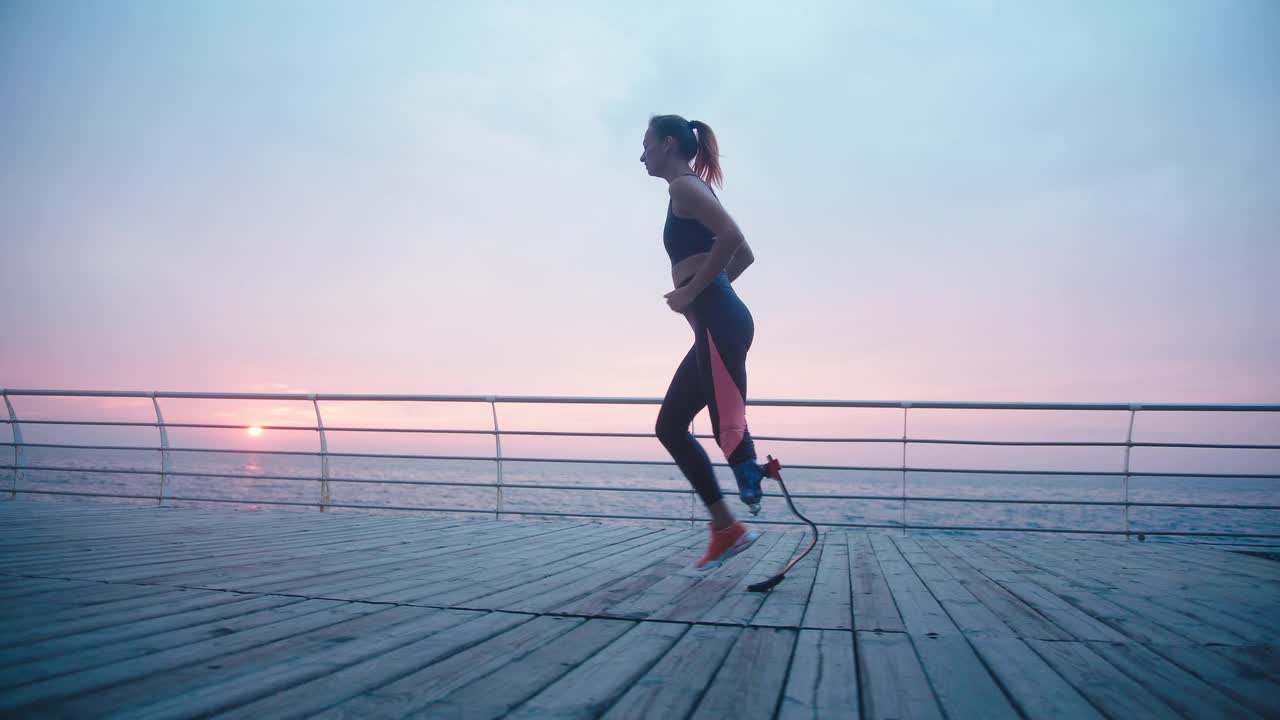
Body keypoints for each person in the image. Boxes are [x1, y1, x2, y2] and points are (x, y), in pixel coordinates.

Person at [642, 114, 764, 570]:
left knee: (727, 425)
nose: (642, 154)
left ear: (668, 144)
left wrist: (697, 291)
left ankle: (746, 497)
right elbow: (743, 256)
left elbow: (734, 239)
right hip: (717, 317)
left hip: (718, 317)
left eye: (646, 144)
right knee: (671, 425)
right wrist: (712, 291)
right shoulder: (690, 191)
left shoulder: (684, 188)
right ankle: (726, 528)